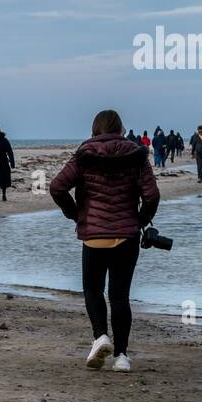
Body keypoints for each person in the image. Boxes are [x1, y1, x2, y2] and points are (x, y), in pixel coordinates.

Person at [49, 109, 160, 374]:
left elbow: (56, 187)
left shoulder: (84, 154)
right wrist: (141, 220)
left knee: (93, 290)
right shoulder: (137, 155)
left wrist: (75, 214)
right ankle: (121, 357)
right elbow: (152, 195)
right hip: (126, 236)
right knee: (120, 296)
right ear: (121, 129)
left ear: (94, 130)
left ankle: (100, 337)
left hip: (94, 236)